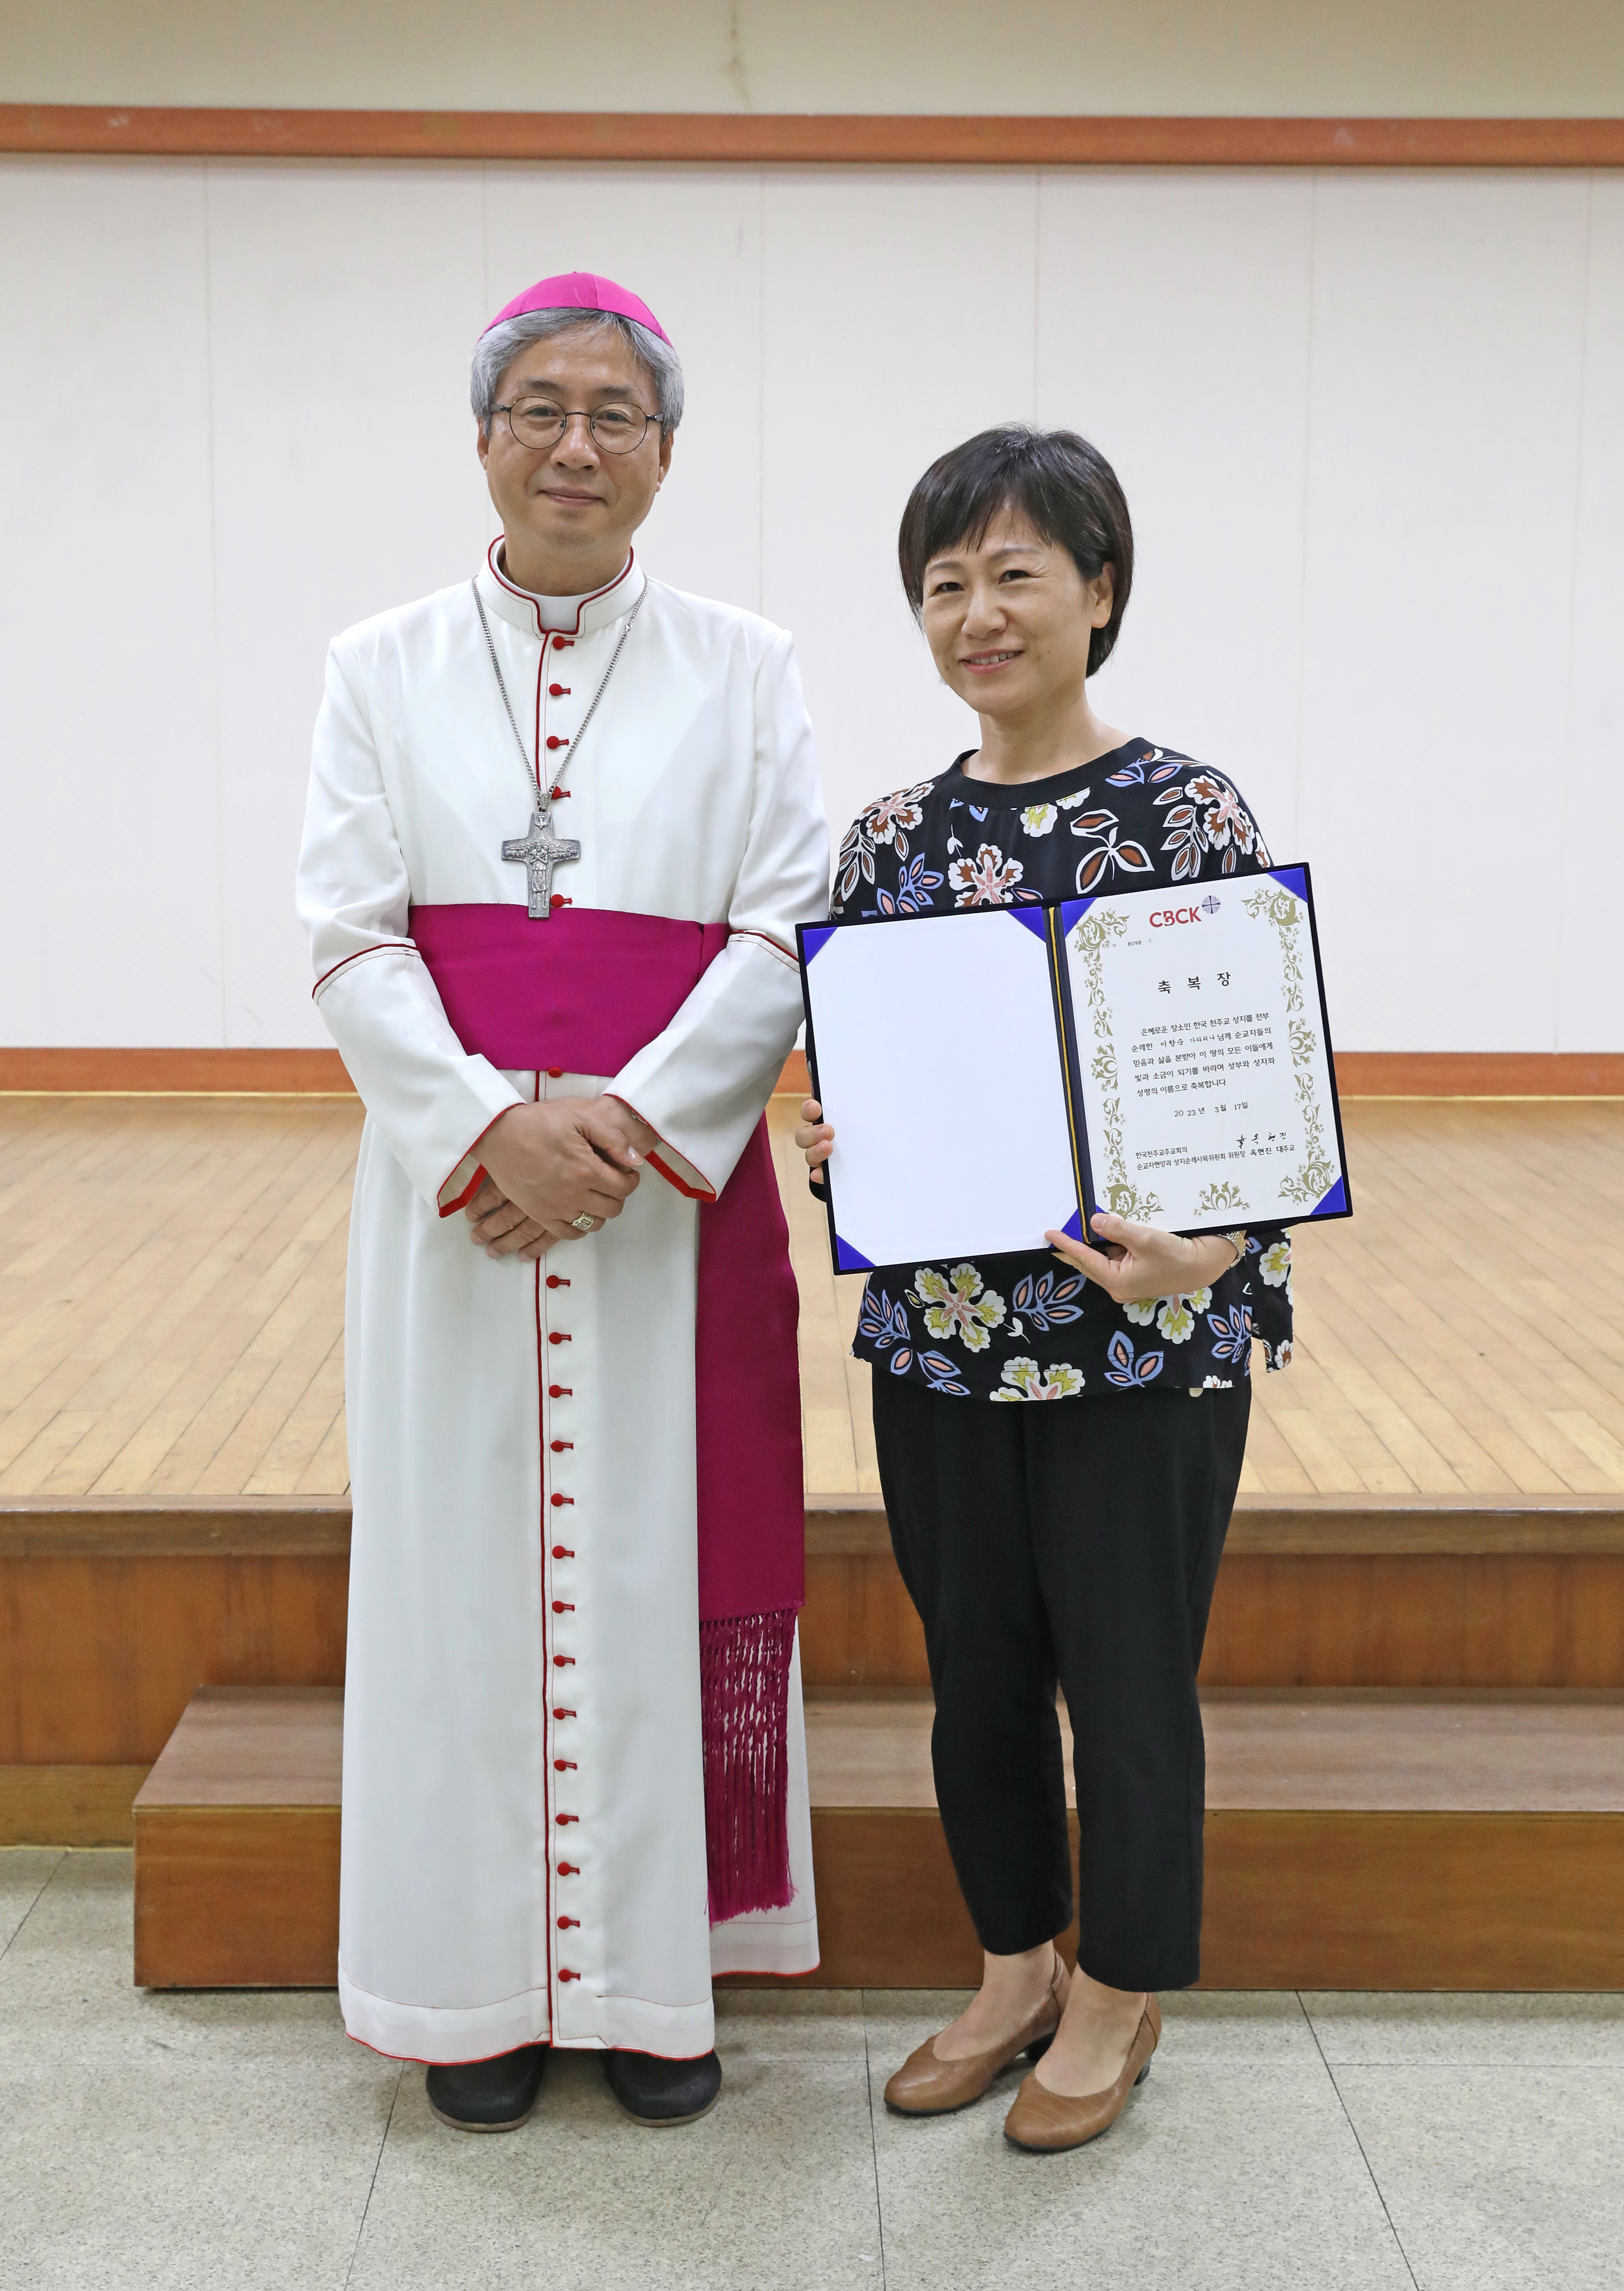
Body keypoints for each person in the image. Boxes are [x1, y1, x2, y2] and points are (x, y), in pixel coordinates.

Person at [297, 271, 829, 2133]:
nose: (576, 442)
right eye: (541, 406)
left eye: (615, 411)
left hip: (661, 1209)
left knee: (648, 1562)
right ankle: (476, 1991)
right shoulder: (377, 664)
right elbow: (349, 938)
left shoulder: (748, 663)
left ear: (666, 453)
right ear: (484, 436)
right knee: (464, 1588)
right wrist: (481, 1128)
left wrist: (617, 1129)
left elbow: (783, 924)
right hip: (457, 1217)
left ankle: (652, 1985)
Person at [797, 425, 1293, 2153]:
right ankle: (1013, 1964)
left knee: (1129, 1680)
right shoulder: (883, 836)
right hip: (939, 1350)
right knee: (976, 1679)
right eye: (943, 583)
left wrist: (1205, 1255)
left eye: (1013, 573)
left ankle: (1116, 1990)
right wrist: (836, 1152)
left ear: (1098, 589)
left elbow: (1257, 1075)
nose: (975, 612)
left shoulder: (1183, 812)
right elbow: (861, 1087)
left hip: (1144, 1340)